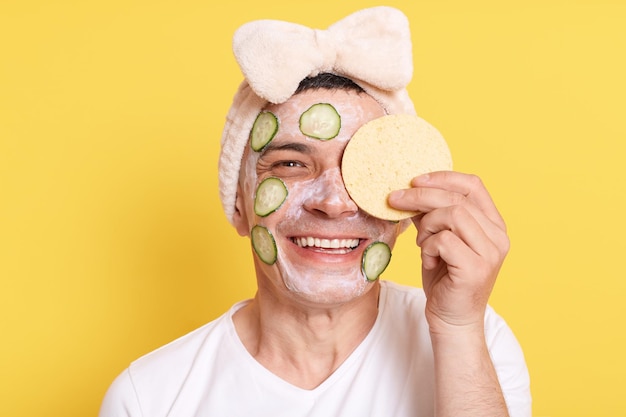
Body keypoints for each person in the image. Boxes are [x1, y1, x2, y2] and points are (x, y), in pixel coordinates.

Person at [99, 6, 531, 417]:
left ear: (405, 208)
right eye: (291, 164)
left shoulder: (477, 340)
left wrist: (457, 328)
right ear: (237, 202)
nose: (333, 202)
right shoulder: (149, 397)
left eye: (364, 169)